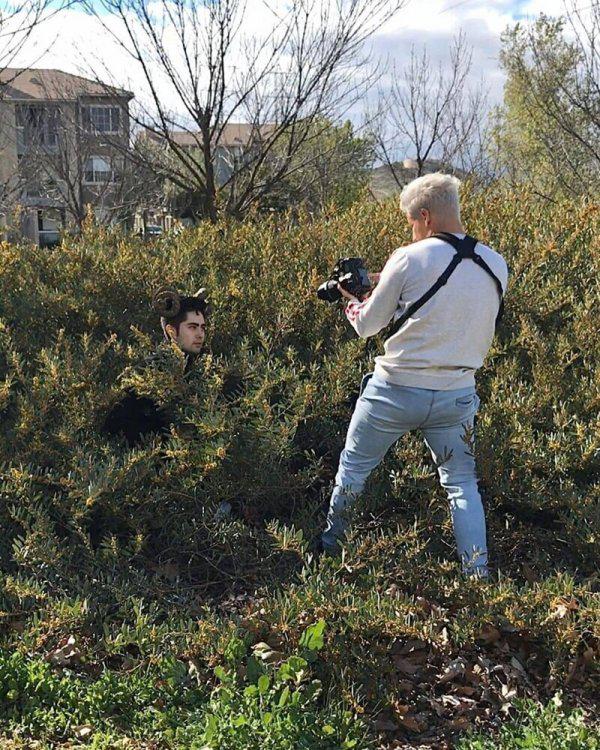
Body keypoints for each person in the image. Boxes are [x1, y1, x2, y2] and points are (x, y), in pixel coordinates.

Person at [320, 173, 508, 576]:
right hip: (456, 394)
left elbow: (368, 325)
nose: (411, 230)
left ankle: (329, 554)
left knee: (354, 469)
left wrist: (352, 302)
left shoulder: (408, 257)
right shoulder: (496, 263)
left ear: (425, 215)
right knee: (461, 484)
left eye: (411, 222)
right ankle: (477, 575)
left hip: (396, 390)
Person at [102, 289, 209, 445]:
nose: (200, 334)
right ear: (171, 332)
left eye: (202, 327)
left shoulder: (200, 369)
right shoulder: (150, 370)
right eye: (192, 327)